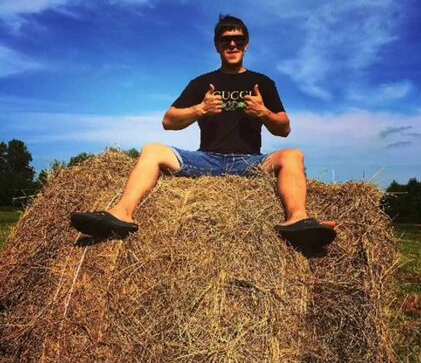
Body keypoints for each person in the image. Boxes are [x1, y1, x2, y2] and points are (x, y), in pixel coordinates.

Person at [71, 15, 336, 250]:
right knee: (153, 150)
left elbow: (284, 128)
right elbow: (168, 121)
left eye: (238, 39)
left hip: (250, 163)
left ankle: (297, 218)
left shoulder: (263, 83)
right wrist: (200, 109)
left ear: (246, 44)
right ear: (217, 45)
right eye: (225, 40)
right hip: (206, 160)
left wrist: (263, 112)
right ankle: (122, 213)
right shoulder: (201, 83)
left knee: (292, 154)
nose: (232, 44)